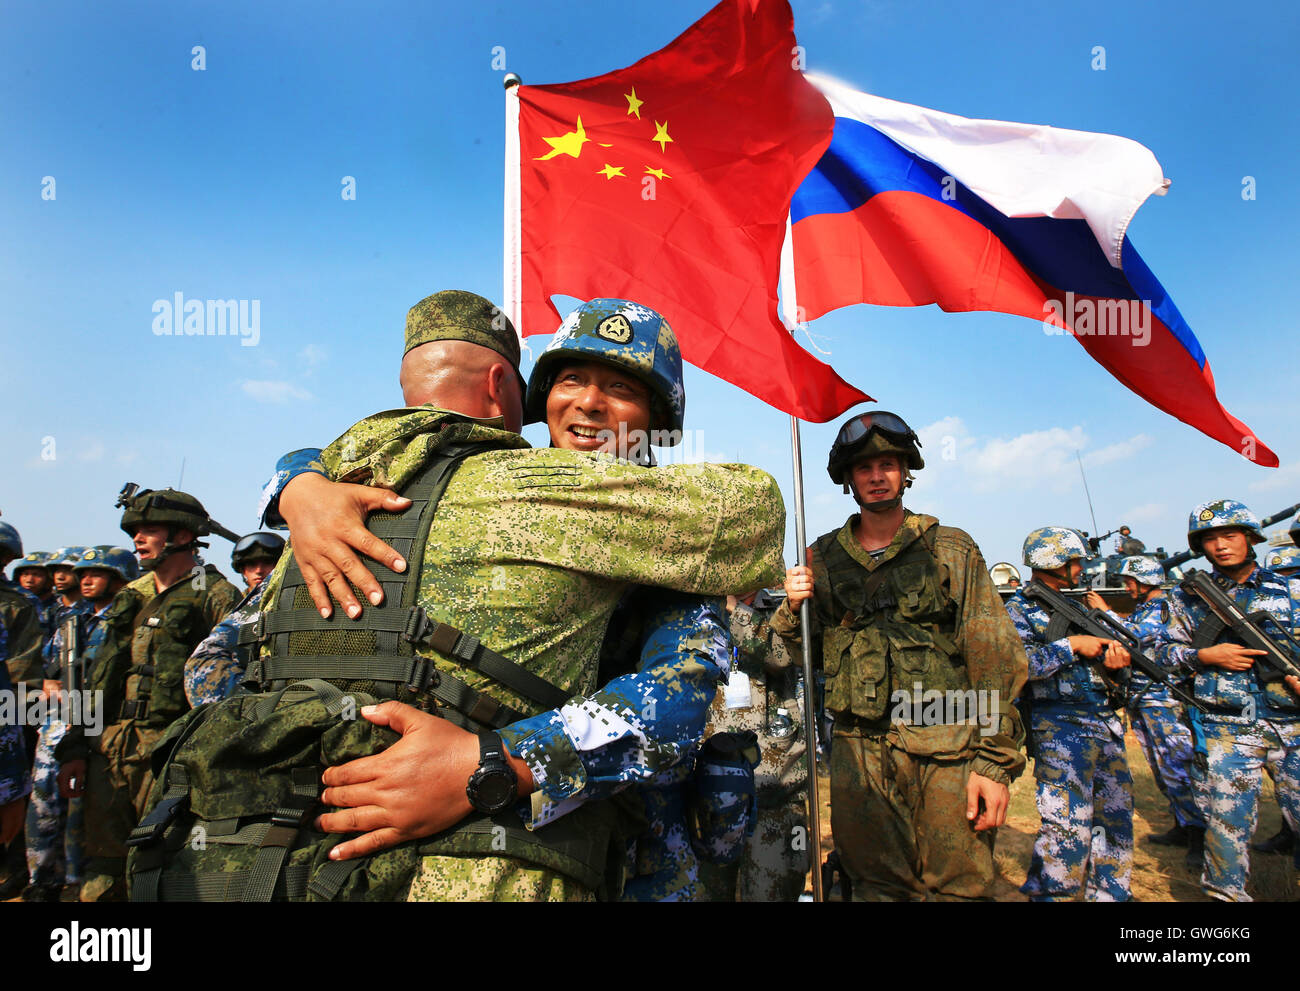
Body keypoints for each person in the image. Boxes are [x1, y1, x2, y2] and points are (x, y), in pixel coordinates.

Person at [247, 291, 783, 901]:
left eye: (621, 389)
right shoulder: (488, 490)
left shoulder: (672, 536)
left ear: (656, 420)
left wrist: (493, 763)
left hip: (617, 850)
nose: (588, 402)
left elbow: (673, 703)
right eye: (572, 379)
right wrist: (301, 484)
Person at [775, 410, 1028, 901]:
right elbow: (784, 656)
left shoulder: (949, 549)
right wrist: (792, 606)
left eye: (887, 464)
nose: (876, 476)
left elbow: (994, 655)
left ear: (906, 470)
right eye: (864, 468)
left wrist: (993, 765)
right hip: (858, 751)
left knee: (960, 886)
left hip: (948, 747)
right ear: (848, 479)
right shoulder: (820, 559)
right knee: (876, 887)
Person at [55, 492, 241, 901]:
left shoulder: (215, 595)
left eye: (150, 530)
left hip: (169, 757)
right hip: (111, 751)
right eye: (135, 531)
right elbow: (102, 678)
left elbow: (230, 689)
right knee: (103, 866)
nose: (138, 539)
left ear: (183, 535)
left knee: (164, 863)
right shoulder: (132, 597)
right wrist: (76, 746)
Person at [1152, 499, 1300, 902]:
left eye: (1230, 535)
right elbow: (1158, 655)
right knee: (1226, 826)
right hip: (1227, 729)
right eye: (1210, 539)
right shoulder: (1187, 599)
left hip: (1292, 725)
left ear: (1250, 538)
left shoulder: (1289, 590)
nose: (1220, 546)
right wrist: (1203, 656)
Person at [1006, 526, 1134, 901]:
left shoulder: (1077, 609)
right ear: (1055, 562)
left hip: (1104, 724)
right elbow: (1017, 666)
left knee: (1115, 819)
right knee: (1066, 823)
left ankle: (1111, 893)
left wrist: (1114, 663)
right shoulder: (1017, 611)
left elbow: (1105, 665)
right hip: (1058, 728)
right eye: (1074, 562)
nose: (1080, 569)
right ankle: (1051, 893)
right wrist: (1072, 645)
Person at [22, 547, 137, 901]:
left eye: (96, 574)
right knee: (44, 802)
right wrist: (46, 683)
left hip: (101, 724)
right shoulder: (71, 621)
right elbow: (45, 665)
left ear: (118, 580)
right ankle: (42, 878)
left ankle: (76, 878)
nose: (84, 580)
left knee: (83, 809)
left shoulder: (127, 621)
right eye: (82, 574)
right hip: (59, 723)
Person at [1086, 557, 1206, 870]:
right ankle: (1183, 824)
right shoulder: (1143, 608)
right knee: (1160, 766)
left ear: (1145, 580)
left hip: (1162, 699)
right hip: (1143, 698)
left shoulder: (1163, 607)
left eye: (1130, 581)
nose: (1126, 587)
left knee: (1177, 764)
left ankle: (1200, 835)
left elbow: (1136, 636)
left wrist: (1106, 611)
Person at [698, 588, 809, 902]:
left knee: (774, 891)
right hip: (706, 791)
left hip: (776, 788)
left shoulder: (785, 603)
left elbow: (786, 654)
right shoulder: (692, 604)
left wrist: (735, 609)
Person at [183, 532, 285, 706]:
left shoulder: (286, 601)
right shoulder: (236, 609)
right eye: (251, 564)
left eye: (267, 562)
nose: (259, 570)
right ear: (242, 570)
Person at [0, 521, 44, 900]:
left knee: (11, 797)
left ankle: (15, 870)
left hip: (6, 718)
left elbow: (24, 670)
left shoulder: (19, 605)